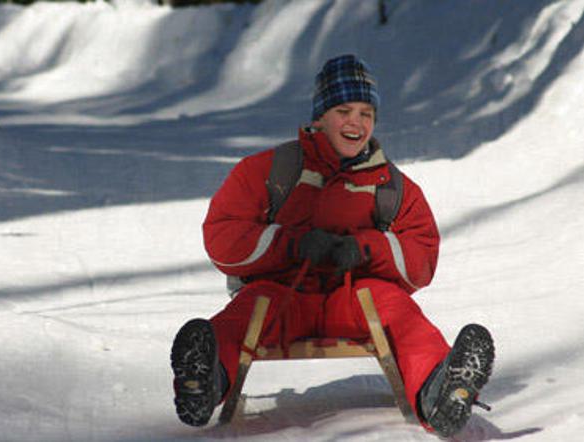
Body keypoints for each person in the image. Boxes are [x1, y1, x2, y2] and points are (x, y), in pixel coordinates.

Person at [170, 54, 495, 437]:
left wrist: (366, 249)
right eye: (344, 110)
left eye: (366, 112)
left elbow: (422, 254)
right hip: (283, 293)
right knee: (244, 315)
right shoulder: (272, 170)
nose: (356, 122)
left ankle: (439, 391)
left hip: (354, 297)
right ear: (320, 117)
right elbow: (222, 236)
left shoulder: (390, 184)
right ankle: (204, 379)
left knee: (400, 314)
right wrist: (290, 244)